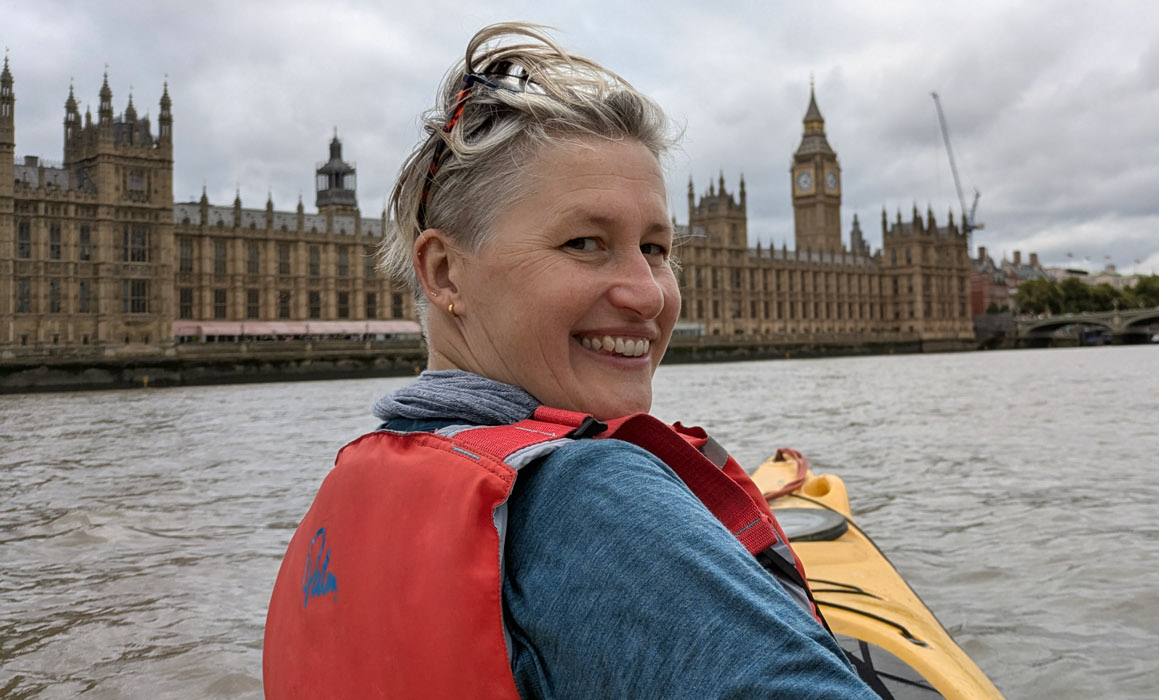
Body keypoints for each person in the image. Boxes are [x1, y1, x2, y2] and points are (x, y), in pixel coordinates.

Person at [262, 22, 878, 700]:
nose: (647, 292)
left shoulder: (351, 493)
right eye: (584, 242)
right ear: (443, 271)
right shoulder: (591, 497)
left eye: (656, 248)